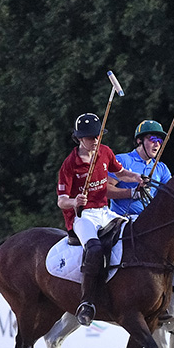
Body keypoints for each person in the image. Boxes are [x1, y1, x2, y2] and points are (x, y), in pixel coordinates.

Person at [57, 113, 144, 326]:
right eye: (89, 137)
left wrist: (136, 178)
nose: (95, 140)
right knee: (94, 249)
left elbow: (121, 173)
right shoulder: (70, 164)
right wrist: (75, 200)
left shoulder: (104, 152)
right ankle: (86, 302)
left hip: (104, 211)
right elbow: (61, 201)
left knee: (134, 232)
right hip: (82, 216)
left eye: (97, 136)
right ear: (79, 138)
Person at [107, 119, 172, 216]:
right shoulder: (123, 160)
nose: (157, 144)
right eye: (152, 139)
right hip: (123, 220)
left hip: (150, 223)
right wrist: (132, 193)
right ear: (139, 140)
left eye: (160, 140)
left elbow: (170, 195)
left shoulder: (161, 168)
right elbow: (105, 190)